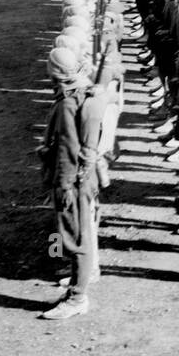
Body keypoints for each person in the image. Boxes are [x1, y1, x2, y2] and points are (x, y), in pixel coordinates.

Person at [38, 45, 107, 318]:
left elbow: (67, 146)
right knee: (79, 233)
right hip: (84, 176)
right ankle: (77, 289)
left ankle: (77, 298)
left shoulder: (68, 102)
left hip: (73, 179)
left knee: (76, 237)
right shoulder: (83, 90)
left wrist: (63, 184)